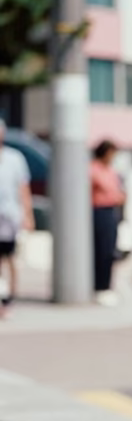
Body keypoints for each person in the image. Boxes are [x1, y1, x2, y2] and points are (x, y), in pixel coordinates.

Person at [0, 119, 35, 318]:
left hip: (9, 217)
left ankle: (10, 297)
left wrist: (28, 216)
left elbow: (23, 189)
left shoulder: (14, 158)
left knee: (10, 258)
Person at [90, 139, 125, 306]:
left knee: (110, 251)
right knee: (100, 250)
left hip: (112, 211)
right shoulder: (92, 169)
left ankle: (107, 286)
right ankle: (99, 286)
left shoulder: (111, 171)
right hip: (98, 212)